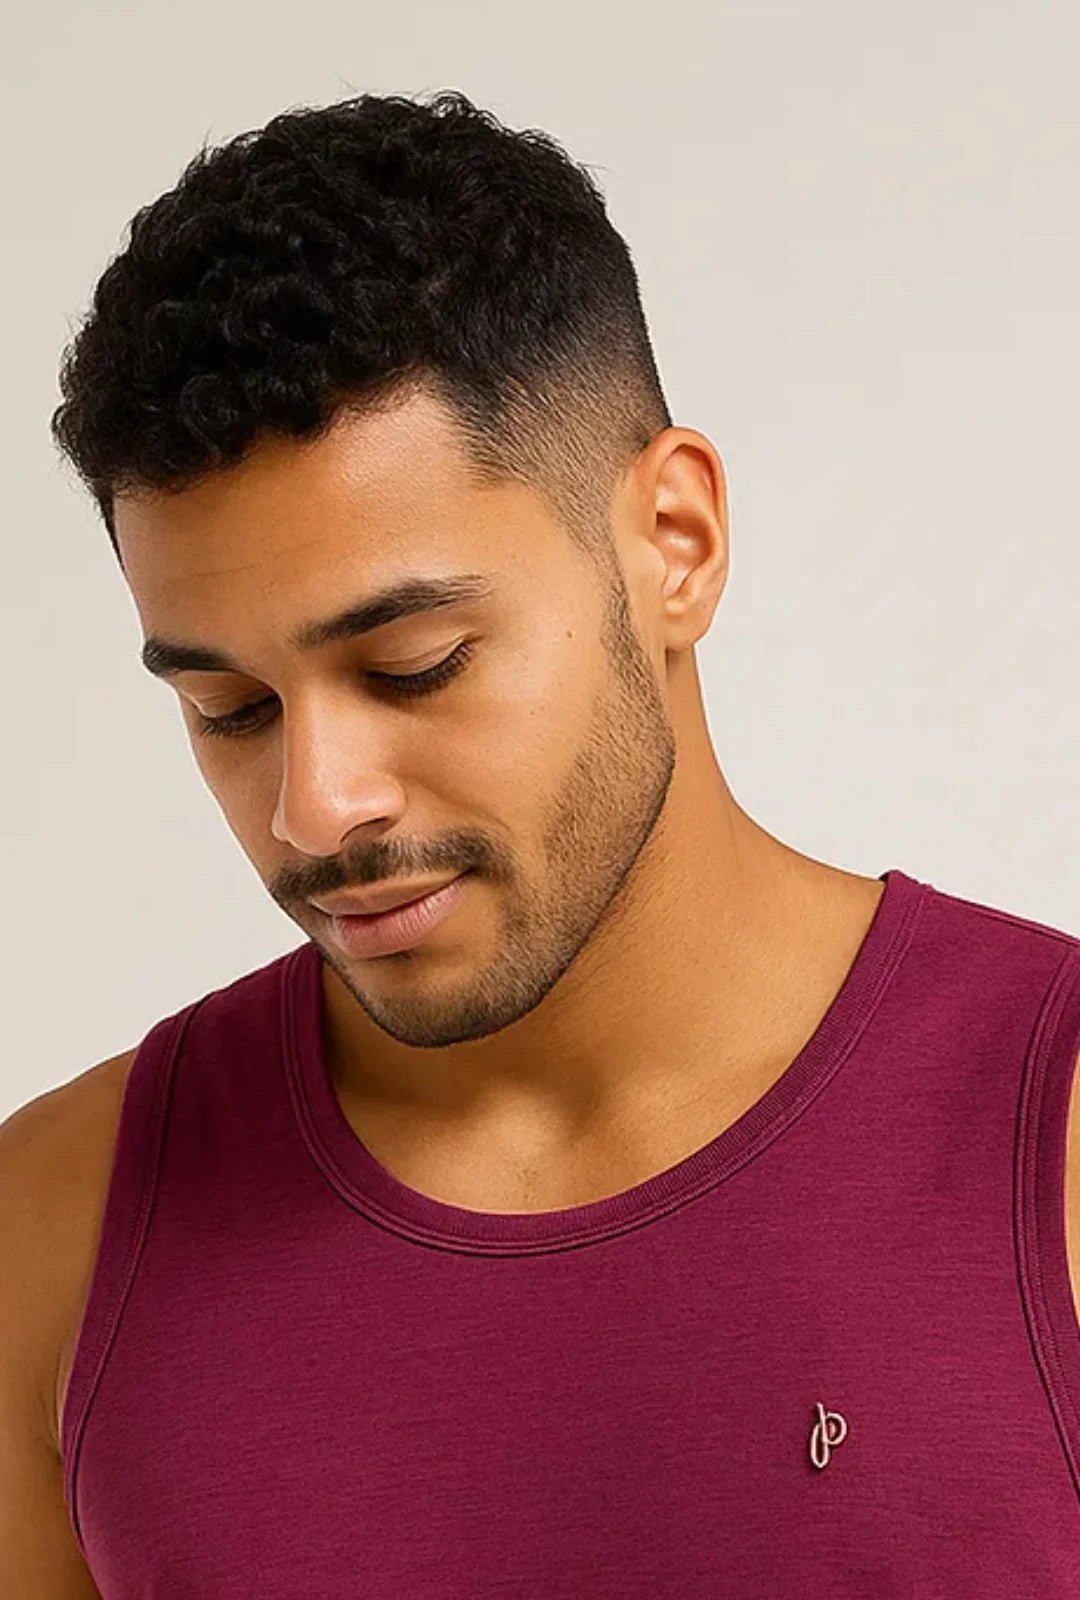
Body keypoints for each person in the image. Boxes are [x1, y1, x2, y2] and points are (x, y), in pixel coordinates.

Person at [2, 89, 1078, 1597]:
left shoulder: (1051, 1138)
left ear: (674, 545)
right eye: (230, 708)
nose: (316, 807)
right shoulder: (51, 1240)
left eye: (415, 664)